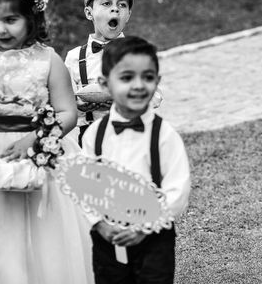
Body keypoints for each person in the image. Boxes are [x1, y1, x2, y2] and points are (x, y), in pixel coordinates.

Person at [0, 0, 94, 284]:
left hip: (39, 151)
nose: (1, 29)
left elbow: (67, 112)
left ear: (31, 18)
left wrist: (35, 138)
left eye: (11, 20)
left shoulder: (48, 60)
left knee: (41, 235)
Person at [82, 36, 191, 284]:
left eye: (148, 77)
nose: (138, 85)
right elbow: (86, 186)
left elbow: (177, 189)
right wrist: (99, 223)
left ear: (157, 82)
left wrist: (144, 227)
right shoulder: (94, 136)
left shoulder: (165, 135)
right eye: (127, 77)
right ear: (104, 85)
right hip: (108, 238)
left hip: (153, 238)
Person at [64, 0, 136, 146]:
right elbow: (64, 103)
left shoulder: (135, 53)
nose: (115, 10)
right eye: (106, 3)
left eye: (122, 5)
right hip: (88, 138)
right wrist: (79, 104)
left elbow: (154, 97)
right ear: (89, 13)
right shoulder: (74, 57)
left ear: (128, 15)